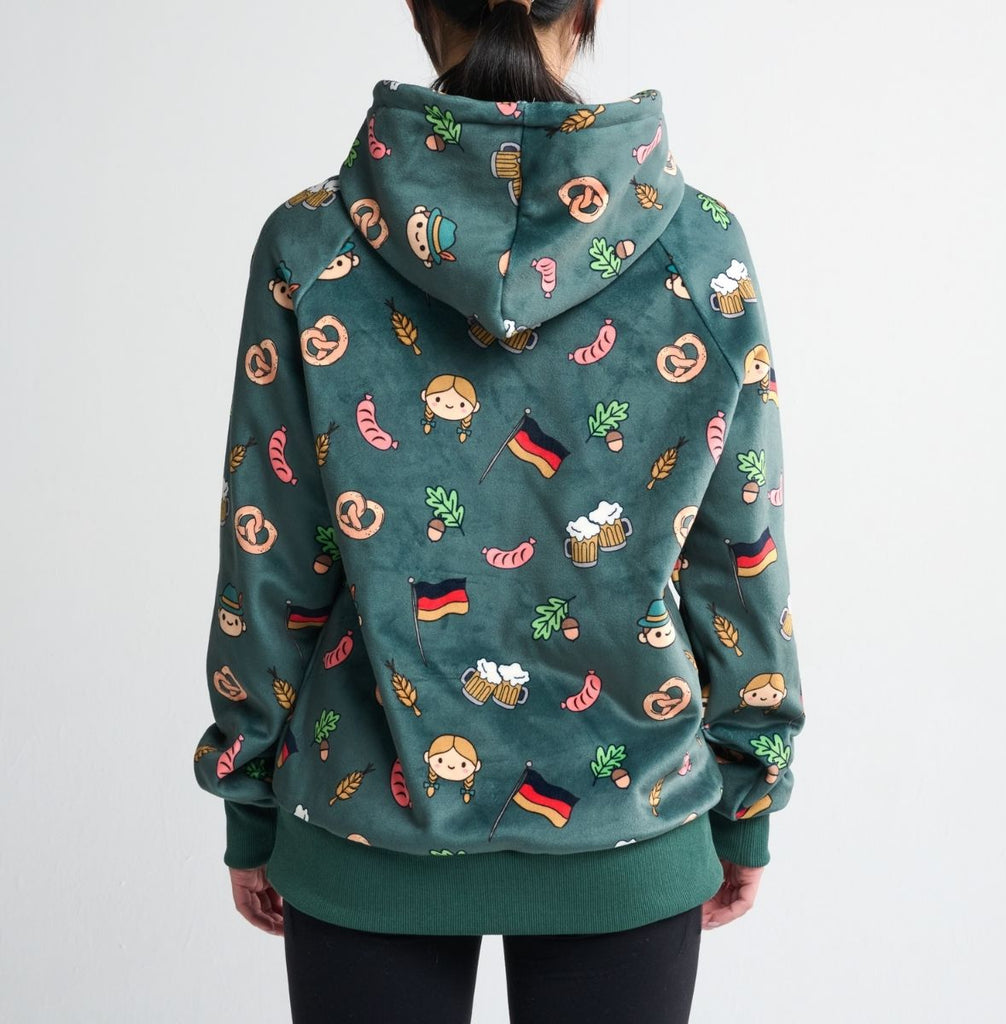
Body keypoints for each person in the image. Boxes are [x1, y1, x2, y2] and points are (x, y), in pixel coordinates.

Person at [191, 0, 806, 1020]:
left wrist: (249, 791)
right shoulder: (700, 247)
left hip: (361, 818)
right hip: (631, 815)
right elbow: (740, 548)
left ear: (418, 5)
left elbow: (271, 547)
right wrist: (748, 791)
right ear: (587, 6)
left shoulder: (310, 244)